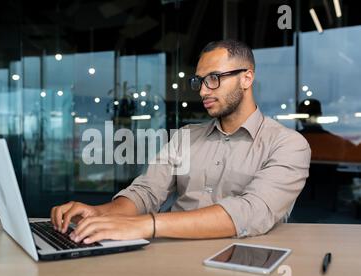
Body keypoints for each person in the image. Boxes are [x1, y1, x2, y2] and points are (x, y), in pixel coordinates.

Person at [51, 39, 311, 244]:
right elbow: (147, 192)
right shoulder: (185, 137)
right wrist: (101, 213)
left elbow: (251, 212)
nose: (203, 91)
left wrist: (147, 225)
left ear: (247, 78)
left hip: (242, 263)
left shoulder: (289, 145)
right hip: (171, 253)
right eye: (199, 81)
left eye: (213, 79)